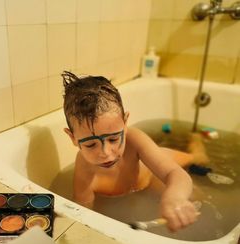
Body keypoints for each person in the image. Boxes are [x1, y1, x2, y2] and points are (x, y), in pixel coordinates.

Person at [62, 71, 208, 232]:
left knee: (196, 195)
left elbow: (174, 173)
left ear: (125, 123)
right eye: (90, 145)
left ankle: (197, 142)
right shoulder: (84, 167)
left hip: (152, 175)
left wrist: (174, 198)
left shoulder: (135, 139)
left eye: (113, 139)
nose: (106, 153)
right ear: (73, 138)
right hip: (139, 182)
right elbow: (82, 208)